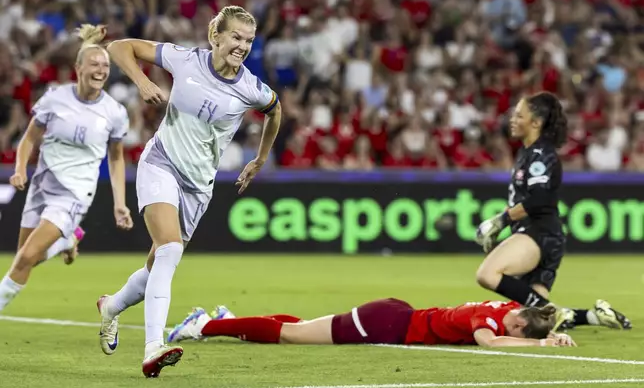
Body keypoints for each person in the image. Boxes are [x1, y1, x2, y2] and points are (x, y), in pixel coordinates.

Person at [96, 5, 282, 378]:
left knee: (156, 267)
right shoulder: (184, 59)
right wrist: (142, 81)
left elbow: (275, 111)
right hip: (161, 163)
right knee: (169, 250)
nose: (242, 46)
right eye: (235, 37)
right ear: (216, 36)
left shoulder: (251, 88)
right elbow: (119, 47)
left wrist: (260, 158)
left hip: (199, 186)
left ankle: (111, 306)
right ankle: (153, 348)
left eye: (248, 40)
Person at [0, 24, 133, 314]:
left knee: (24, 260)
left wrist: (120, 204)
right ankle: (65, 242)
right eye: (94, 64)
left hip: (73, 193)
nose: (100, 70)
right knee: (25, 257)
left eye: (105, 65)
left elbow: (116, 158)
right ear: (78, 67)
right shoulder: (54, 98)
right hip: (40, 185)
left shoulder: (114, 113)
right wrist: (21, 169)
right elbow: (30, 137)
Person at [474, 92, 631, 331]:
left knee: (487, 274)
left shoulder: (539, 154)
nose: (512, 120)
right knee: (537, 320)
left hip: (538, 233)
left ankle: (562, 313)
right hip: (547, 237)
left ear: (536, 123)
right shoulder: (529, 152)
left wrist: (501, 220)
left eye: (519, 115)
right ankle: (592, 316)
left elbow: (540, 198)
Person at [166, 299, 577, 348]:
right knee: (293, 335)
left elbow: (539, 311)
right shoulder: (487, 319)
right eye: (518, 330)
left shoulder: (508, 306)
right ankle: (203, 326)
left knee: (308, 324)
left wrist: (551, 329)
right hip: (386, 326)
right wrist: (540, 345)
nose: (511, 329)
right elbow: (490, 342)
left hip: (394, 315)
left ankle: (228, 319)